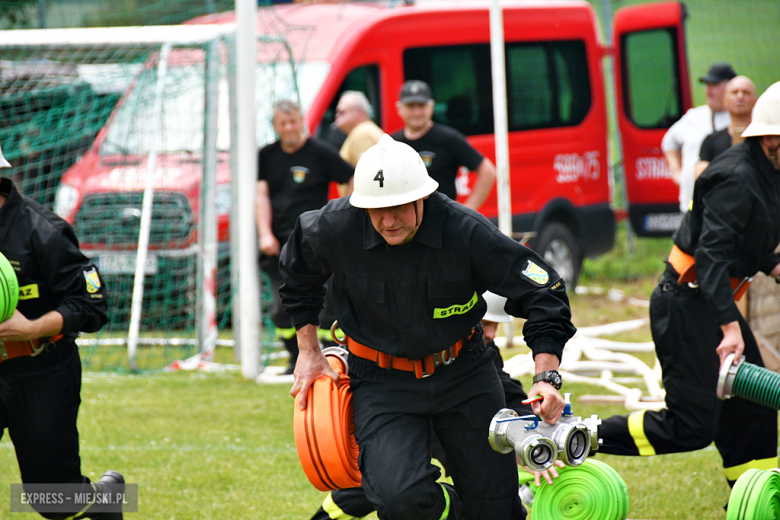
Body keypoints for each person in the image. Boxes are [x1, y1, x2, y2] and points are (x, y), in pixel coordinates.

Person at [280, 134, 575, 520]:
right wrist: (308, 351)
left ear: (423, 197)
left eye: (398, 208)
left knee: (497, 509)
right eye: (376, 210)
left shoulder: (465, 230)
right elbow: (297, 273)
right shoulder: (334, 226)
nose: (387, 220)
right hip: (382, 381)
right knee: (398, 499)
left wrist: (545, 376)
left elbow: (544, 290)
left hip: (465, 373)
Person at [598, 83, 780, 487]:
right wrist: (730, 328)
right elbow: (711, 257)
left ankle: (752, 502)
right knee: (691, 425)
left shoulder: (770, 175)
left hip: (711, 300)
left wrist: (774, 265)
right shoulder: (735, 178)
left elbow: (749, 241)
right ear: (771, 138)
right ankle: (584, 435)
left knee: (755, 408)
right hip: (685, 302)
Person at [308, 291, 562, 520]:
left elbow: (505, 388)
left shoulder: (473, 346)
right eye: (485, 323)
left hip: (450, 425)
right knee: (385, 488)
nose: (492, 333)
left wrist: (531, 436)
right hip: (405, 422)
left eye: (495, 324)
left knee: (413, 490)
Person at [0, 143, 124, 519]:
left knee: (53, 500)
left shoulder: (44, 230)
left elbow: (91, 304)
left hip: (41, 369)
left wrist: (32, 327)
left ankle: (106, 497)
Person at [256, 100, 354, 374]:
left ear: (302, 121)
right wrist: (264, 233)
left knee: (325, 306)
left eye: (293, 122)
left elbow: (352, 177)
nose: (289, 128)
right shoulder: (266, 155)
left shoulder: (321, 152)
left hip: (316, 242)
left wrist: (348, 216)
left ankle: (329, 356)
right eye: (283, 123)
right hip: (278, 242)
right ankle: (294, 358)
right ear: (275, 127)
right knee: (280, 308)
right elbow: (260, 196)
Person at [390, 80, 496, 210]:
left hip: (443, 223)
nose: (417, 112)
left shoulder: (448, 138)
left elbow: (487, 171)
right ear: (399, 108)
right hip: (405, 223)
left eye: (422, 106)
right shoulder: (392, 143)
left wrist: (467, 211)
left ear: (431, 106)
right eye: (411, 106)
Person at [662, 62, 736, 213]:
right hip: (690, 206)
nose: (709, 89)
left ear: (730, 86)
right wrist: (677, 172)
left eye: (714, 84)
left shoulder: (739, 118)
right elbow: (669, 141)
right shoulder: (694, 117)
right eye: (706, 84)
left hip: (726, 208)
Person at [694, 76, 758, 179]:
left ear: (756, 101)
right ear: (725, 101)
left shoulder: (764, 140)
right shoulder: (711, 141)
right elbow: (700, 175)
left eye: (746, 93)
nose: (740, 97)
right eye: (734, 93)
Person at [334, 91, 384, 168]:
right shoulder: (366, 130)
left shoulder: (362, 134)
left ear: (358, 112)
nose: (337, 115)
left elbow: (369, 173)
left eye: (342, 112)